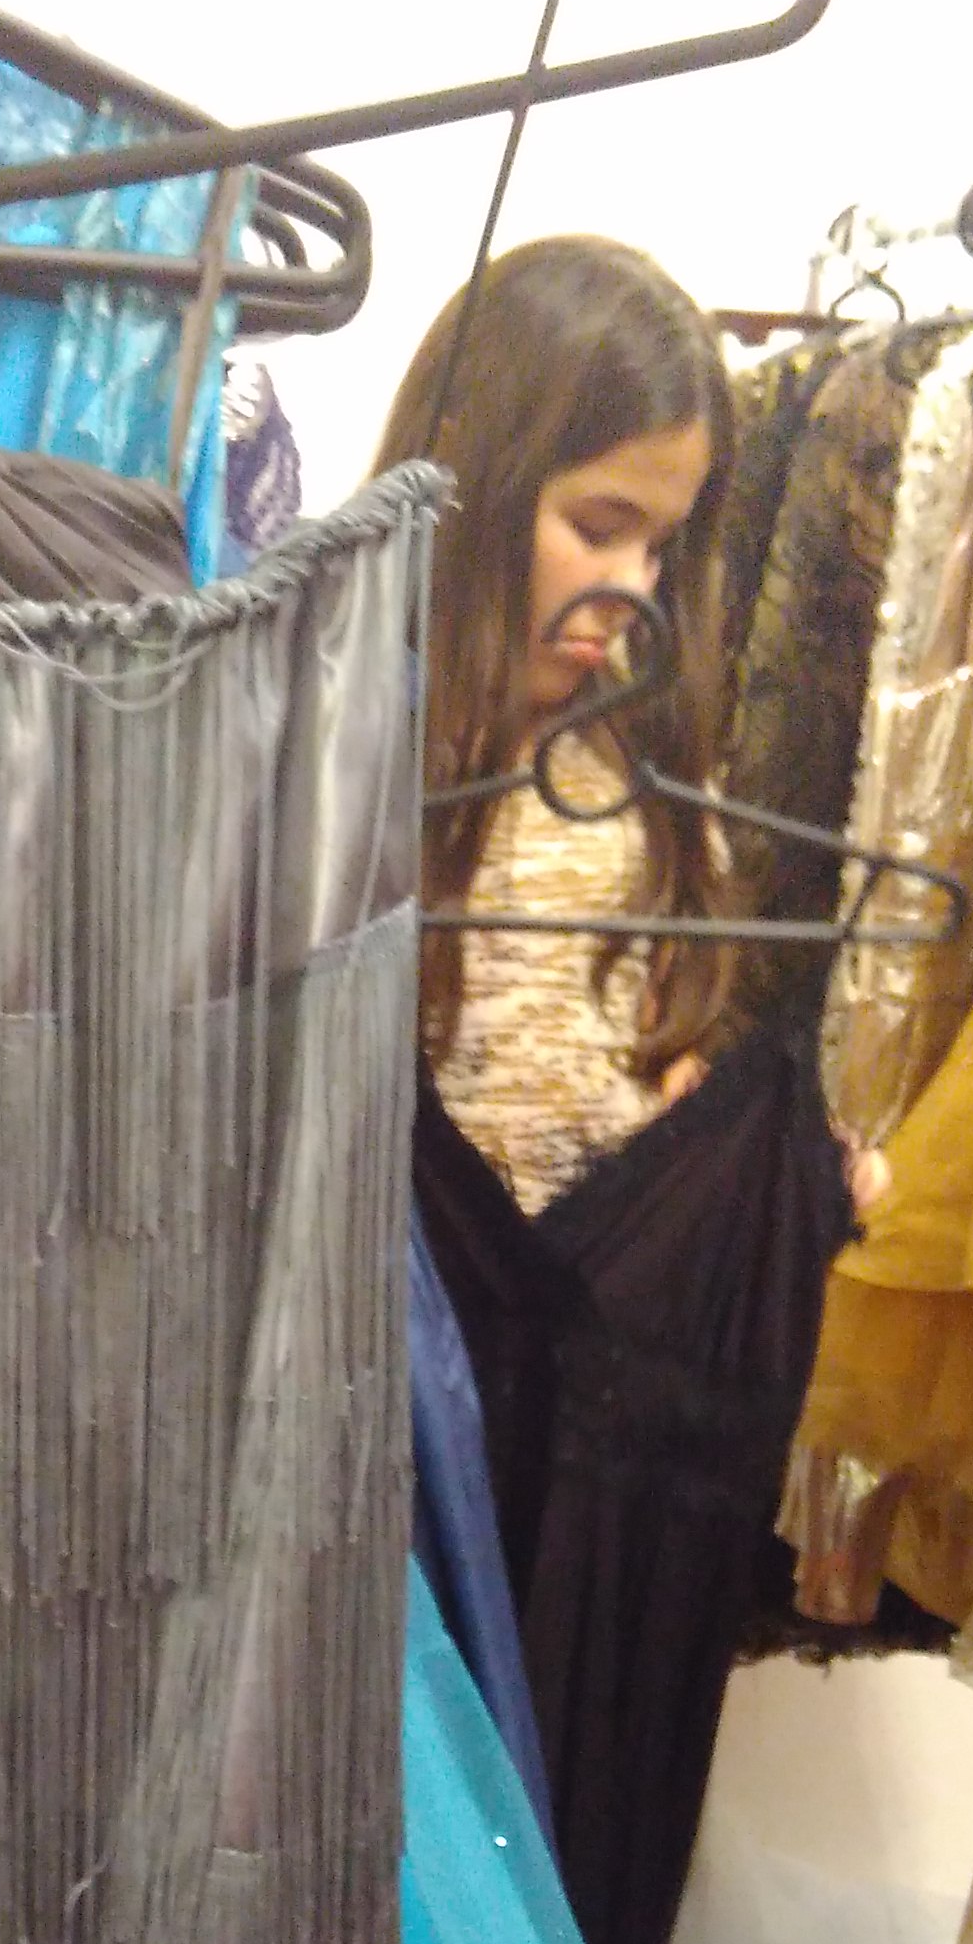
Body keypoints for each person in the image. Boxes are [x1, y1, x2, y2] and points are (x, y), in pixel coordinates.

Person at [378, 234, 738, 1215]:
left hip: (592, 1291)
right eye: (599, 529)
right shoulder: (330, 745)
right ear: (463, 473)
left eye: (660, 547)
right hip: (384, 1292)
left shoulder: (644, 756)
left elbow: (654, 1051)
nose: (634, 589)